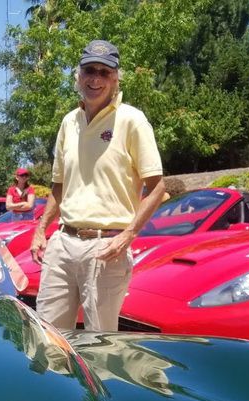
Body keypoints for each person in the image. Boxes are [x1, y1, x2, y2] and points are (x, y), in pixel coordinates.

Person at [30, 40, 165, 332]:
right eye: (89, 70)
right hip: (62, 243)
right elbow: (59, 185)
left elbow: (157, 187)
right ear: (78, 76)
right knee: (48, 338)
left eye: (105, 72)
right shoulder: (69, 122)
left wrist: (128, 234)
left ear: (116, 79)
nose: (96, 79)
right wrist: (41, 230)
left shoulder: (132, 120)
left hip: (106, 248)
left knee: (100, 344)